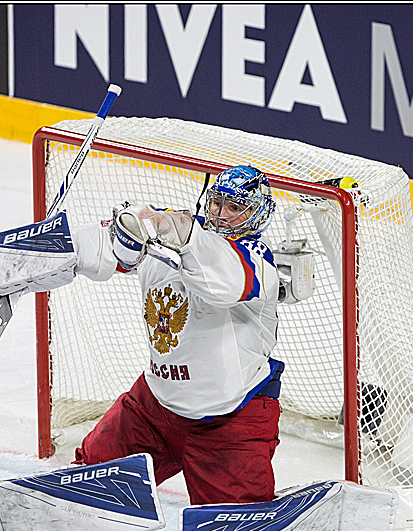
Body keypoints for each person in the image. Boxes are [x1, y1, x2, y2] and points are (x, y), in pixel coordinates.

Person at [69, 165, 283, 505]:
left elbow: (221, 283)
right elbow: (108, 252)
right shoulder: (175, 236)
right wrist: (59, 253)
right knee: (86, 483)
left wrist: (181, 234)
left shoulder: (258, 260)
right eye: (217, 203)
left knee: (232, 523)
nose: (221, 214)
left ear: (258, 214)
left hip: (230, 420)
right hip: (153, 409)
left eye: (235, 207)